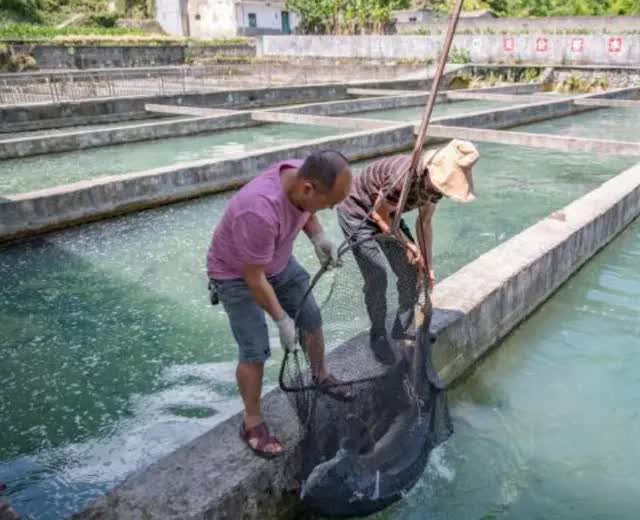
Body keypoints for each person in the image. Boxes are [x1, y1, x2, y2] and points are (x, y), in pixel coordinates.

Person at [207, 150, 353, 458]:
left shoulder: (302, 174)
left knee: (311, 317)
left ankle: (320, 374)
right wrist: (282, 320)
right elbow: (254, 278)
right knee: (255, 348)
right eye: (329, 204)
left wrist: (318, 236)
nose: (330, 209)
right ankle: (253, 421)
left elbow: (305, 211)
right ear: (308, 189)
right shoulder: (258, 210)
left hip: (276, 259)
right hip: (236, 274)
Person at [336, 139, 480, 365]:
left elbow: (424, 224)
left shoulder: (433, 189)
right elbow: (379, 217)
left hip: (389, 213)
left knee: (413, 269)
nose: (440, 191)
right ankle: (378, 334)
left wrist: (428, 265)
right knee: (377, 275)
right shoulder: (402, 178)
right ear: (429, 172)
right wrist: (408, 245)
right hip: (359, 212)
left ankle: (402, 327)